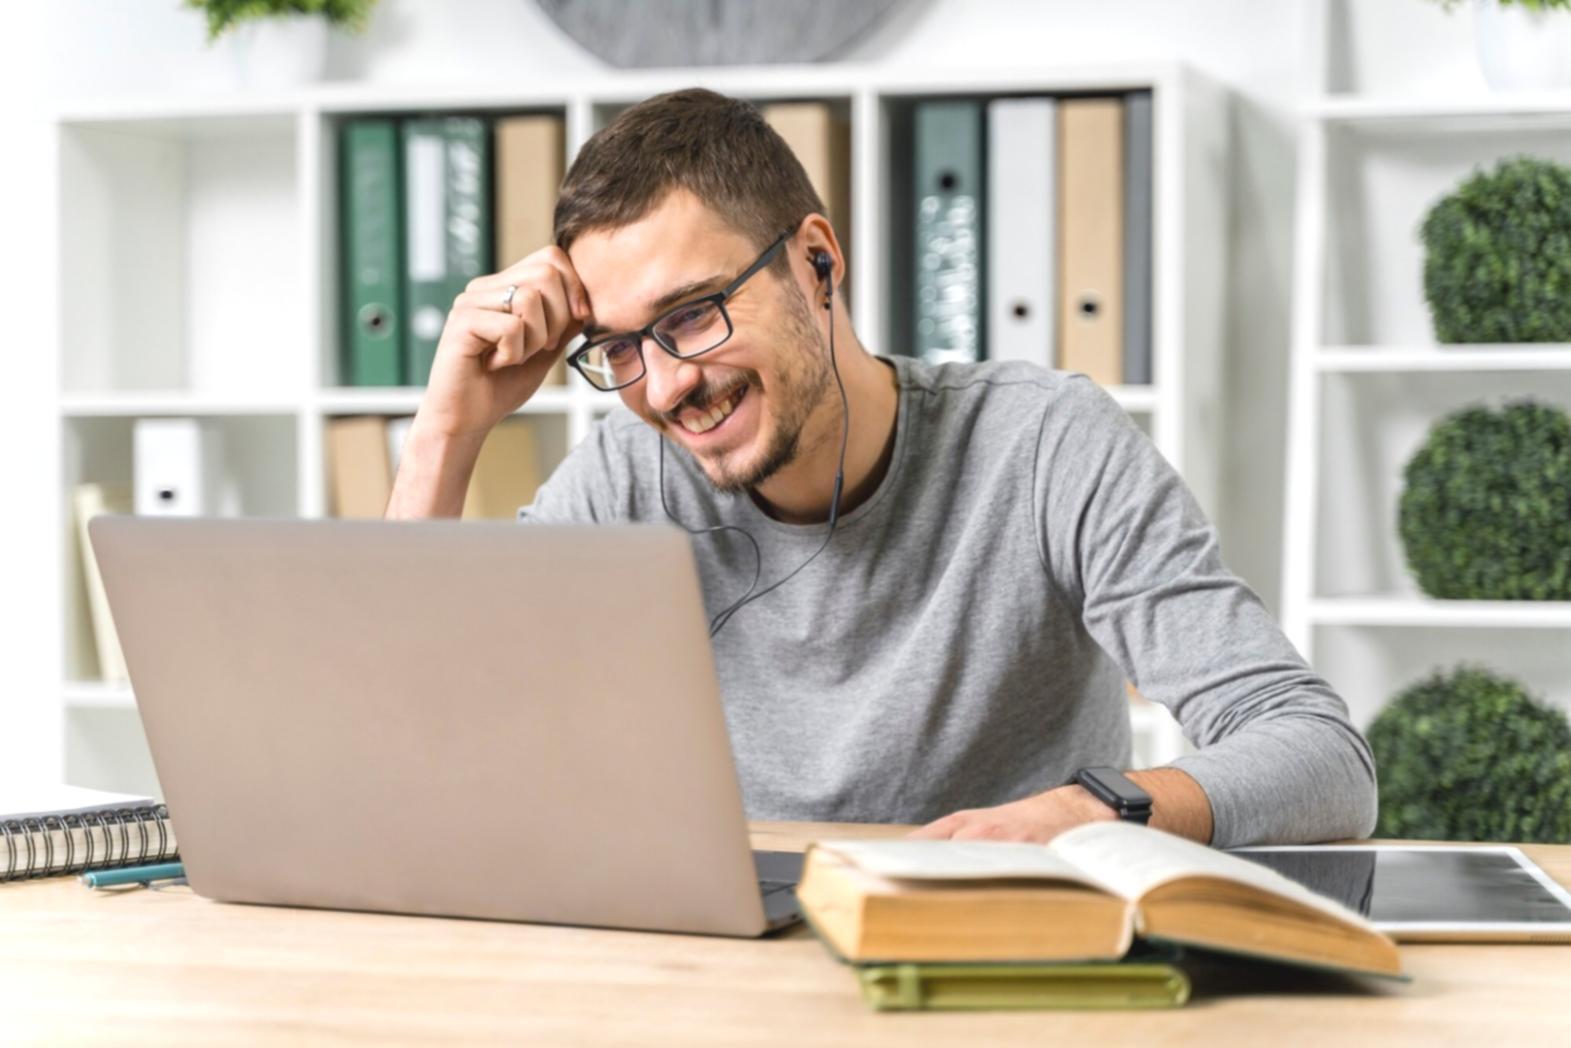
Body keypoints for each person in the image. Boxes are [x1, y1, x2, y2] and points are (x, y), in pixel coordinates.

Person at [386, 88, 1377, 849]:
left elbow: (1318, 754)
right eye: (621, 346)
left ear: (816, 262)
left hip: (993, 953)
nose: (667, 384)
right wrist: (445, 432)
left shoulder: (1042, 444)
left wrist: (1087, 813)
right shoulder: (627, 476)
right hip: (729, 963)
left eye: (691, 314)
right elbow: (413, 742)